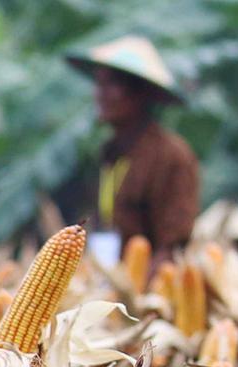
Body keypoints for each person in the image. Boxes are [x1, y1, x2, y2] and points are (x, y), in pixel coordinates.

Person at [65, 36, 200, 271]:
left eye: (112, 85)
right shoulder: (110, 153)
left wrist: (138, 295)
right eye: (99, 84)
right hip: (109, 281)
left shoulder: (171, 156)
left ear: (141, 94)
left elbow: (173, 246)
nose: (100, 94)